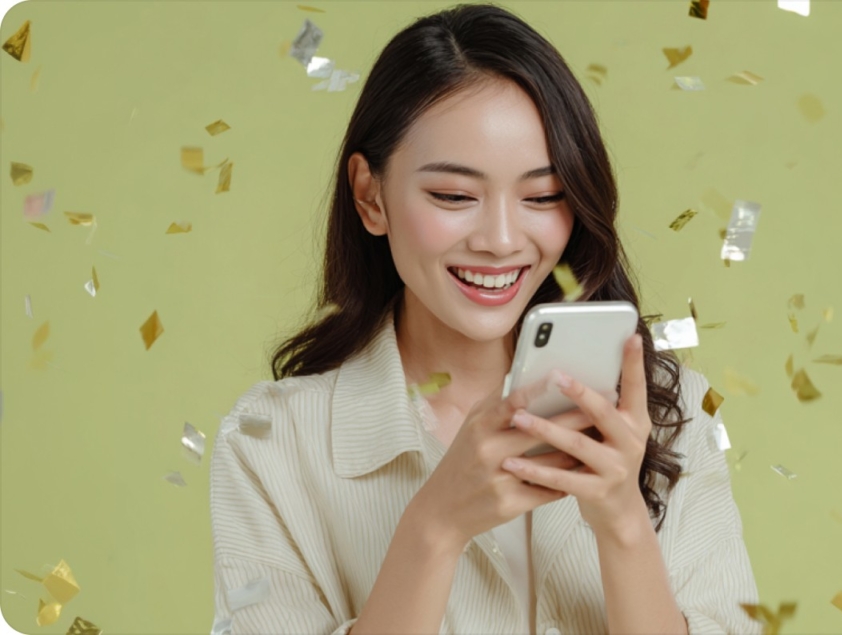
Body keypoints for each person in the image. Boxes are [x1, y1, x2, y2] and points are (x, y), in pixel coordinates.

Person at [209, 3, 760, 634]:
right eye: (454, 196)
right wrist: (435, 526)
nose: (501, 240)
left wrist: (623, 524)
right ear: (370, 195)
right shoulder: (270, 443)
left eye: (543, 196)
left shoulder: (667, 412)